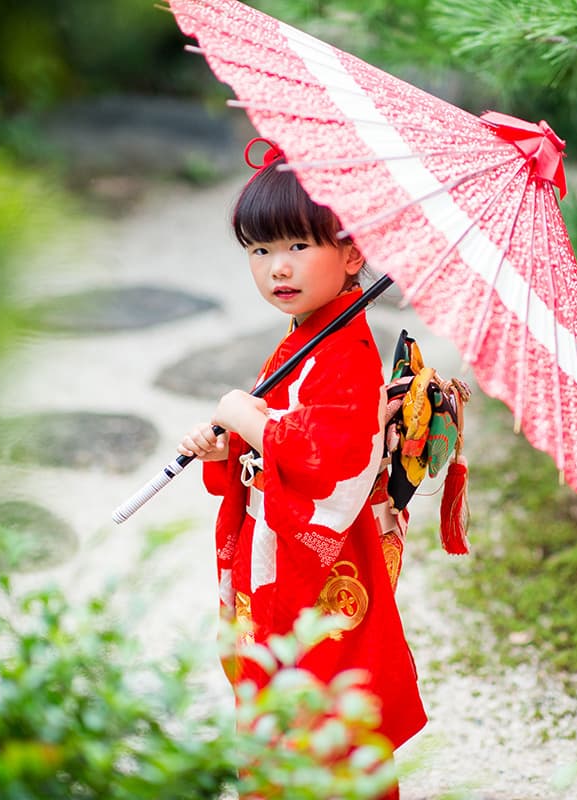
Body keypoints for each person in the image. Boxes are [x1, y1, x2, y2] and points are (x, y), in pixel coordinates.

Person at [177, 140, 426, 793]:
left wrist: (245, 413)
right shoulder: (309, 335)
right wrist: (231, 445)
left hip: (319, 563)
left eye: (296, 247)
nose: (275, 269)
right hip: (282, 550)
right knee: (284, 692)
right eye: (259, 251)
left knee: (323, 696)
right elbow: (286, 431)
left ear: (350, 254)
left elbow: (334, 460)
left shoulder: (346, 350)